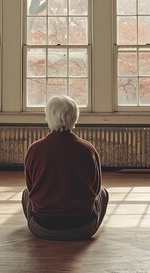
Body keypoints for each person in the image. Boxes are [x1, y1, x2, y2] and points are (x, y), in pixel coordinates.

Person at [22, 95, 109, 240]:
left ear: (48, 117)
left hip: (41, 228)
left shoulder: (35, 149)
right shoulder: (87, 149)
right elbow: (96, 188)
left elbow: (31, 186)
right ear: (75, 118)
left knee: (26, 193)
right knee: (103, 192)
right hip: (83, 228)